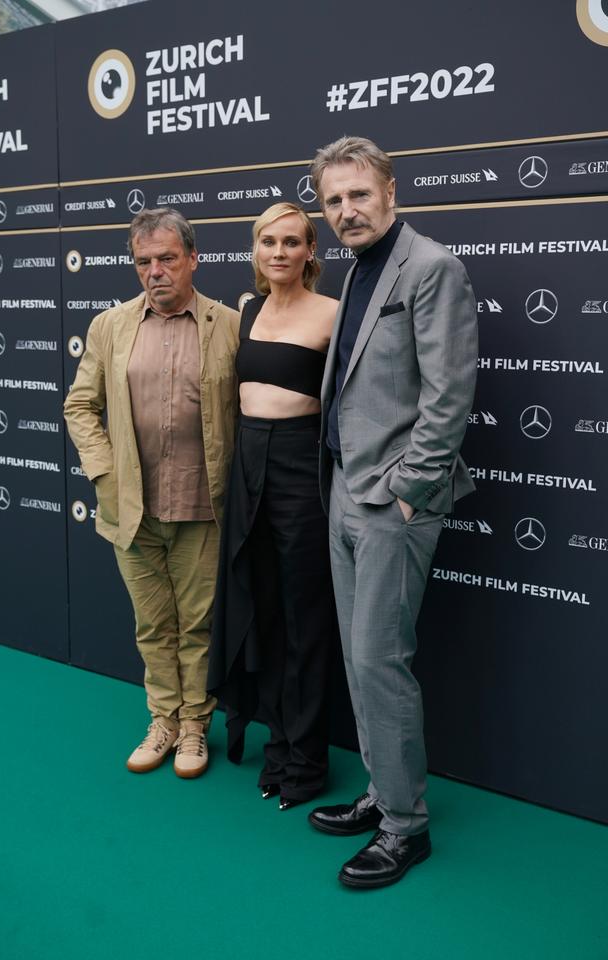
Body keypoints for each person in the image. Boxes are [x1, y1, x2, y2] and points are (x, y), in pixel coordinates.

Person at [307, 137, 478, 888]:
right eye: (333, 200)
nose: (346, 210)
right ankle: (382, 794)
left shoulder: (432, 266)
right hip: (346, 489)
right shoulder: (358, 272)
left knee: (381, 660)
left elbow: (449, 395)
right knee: (358, 656)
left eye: (358, 194)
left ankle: (406, 828)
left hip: (393, 502)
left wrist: (409, 487)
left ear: (390, 191)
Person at [64, 208, 239, 779]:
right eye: (144, 262)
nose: (155, 271)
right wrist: (105, 474)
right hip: (130, 508)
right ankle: (163, 719)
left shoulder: (231, 326)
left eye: (167, 259)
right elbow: (80, 406)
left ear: (193, 259)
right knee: (152, 623)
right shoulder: (109, 326)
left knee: (198, 625)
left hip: (202, 505)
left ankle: (194, 727)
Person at [208, 202, 338, 810]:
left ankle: (308, 761)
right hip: (247, 465)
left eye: (291, 241)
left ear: (312, 251)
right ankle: (277, 741)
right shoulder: (248, 311)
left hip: (300, 466)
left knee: (304, 617)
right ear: (254, 251)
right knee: (260, 605)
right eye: (268, 241)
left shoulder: (334, 314)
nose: (279, 252)